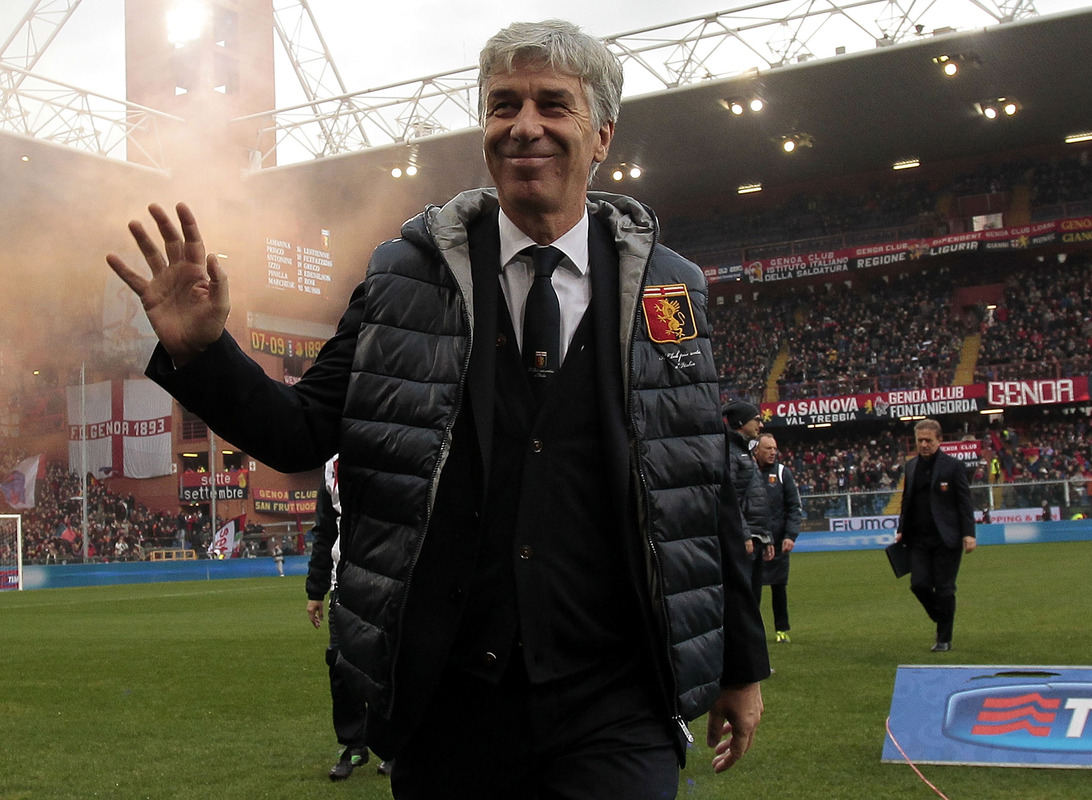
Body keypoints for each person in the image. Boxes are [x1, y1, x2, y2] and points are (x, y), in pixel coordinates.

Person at [107, 19, 769, 799]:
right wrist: (203, 352)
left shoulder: (668, 287)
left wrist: (740, 665)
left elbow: (697, 482)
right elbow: (298, 433)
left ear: (602, 136)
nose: (524, 126)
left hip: (615, 696)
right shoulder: (406, 277)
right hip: (450, 700)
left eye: (553, 105)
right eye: (502, 106)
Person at [306, 455, 393, 779]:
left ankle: (390, 745)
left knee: (386, 665)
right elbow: (324, 530)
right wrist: (316, 590)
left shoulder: (387, 453)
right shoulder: (331, 466)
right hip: (342, 583)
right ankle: (352, 745)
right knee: (341, 667)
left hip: (387, 579)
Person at [895, 419, 977, 652]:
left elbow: (964, 503)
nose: (923, 444)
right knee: (918, 584)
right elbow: (906, 501)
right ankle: (942, 617)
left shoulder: (953, 466)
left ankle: (944, 639)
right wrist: (902, 529)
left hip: (946, 538)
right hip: (918, 539)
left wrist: (969, 534)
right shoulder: (911, 466)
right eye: (920, 440)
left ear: (939, 441)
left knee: (944, 588)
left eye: (928, 440)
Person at [752, 432, 802, 643]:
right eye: (768, 448)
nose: (773, 452)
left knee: (778, 588)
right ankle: (752, 633)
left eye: (775, 448)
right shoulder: (748, 472)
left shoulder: (783, 473)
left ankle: (782, 630)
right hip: (755, 542)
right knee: (752, 591)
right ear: (757, 450)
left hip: (779, 542)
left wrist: (790, 535)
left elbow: (794, 507)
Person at [722, 400, 774, 594]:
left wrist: (766, 536)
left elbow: (755, 498)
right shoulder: (733, 454)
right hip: (746, 539)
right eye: (756, 420)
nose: (761, 425)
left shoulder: (744, 452)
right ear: (742, 422)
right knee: (745, 599)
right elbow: (730, 499)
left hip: (755, 537)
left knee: (754, 599)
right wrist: (744, 534)